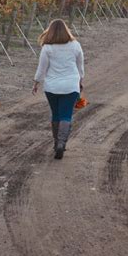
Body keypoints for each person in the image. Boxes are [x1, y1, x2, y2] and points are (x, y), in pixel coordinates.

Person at [32, 19, 84, 159]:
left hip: (52, 86)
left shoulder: (47, 48)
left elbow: (42, 68)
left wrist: (36, 82)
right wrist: (80, 80)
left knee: (55, 114)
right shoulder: (75, 45)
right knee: (66, 115)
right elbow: (80, 65)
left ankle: (56, 143)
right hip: (71, 85)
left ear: (50, 31)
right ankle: (61, 143)